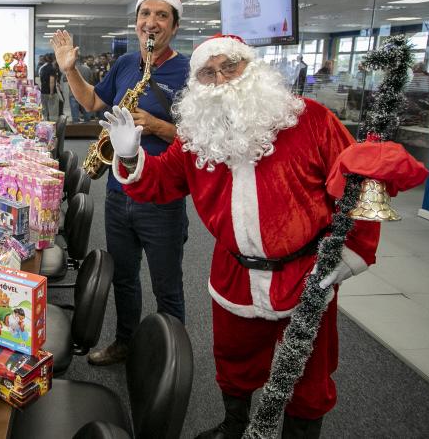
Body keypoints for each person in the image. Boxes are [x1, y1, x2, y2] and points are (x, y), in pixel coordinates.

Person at [100, 35, 380, 438]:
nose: (221, 79)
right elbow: (160, 183)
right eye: (208, 73)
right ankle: (234, 426)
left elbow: (360, 186)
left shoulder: (312, 119)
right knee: (234, 360)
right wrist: (129, 156)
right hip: (233, 273)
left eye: (230, 66)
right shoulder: (196, 135)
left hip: (305, 274)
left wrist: (351, 254)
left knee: (307, 371)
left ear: (252, 68)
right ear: (197, 83)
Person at [51, 0, 190, 366]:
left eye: (162, 15)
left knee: (167, 286)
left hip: (162, 198)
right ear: (137, 21)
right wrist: (70, 69)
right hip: (118, 192)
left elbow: (201, 138)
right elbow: (92, 101)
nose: (151, 22)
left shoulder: (189, 72)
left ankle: (168, 362)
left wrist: (158, 126)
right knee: (124, 278)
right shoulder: (128, 62)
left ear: (175, 26)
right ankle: (125, 342)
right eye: (145, 14)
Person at [39, 53, 59, 121]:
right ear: (54, 59)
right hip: (50, 93)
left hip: (43, 91)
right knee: (53, 111)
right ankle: (53, 125)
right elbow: (51, 81)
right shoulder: (52, 68)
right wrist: (51, 92)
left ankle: (45, 124)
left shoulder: (42, 68)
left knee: (45, 110)